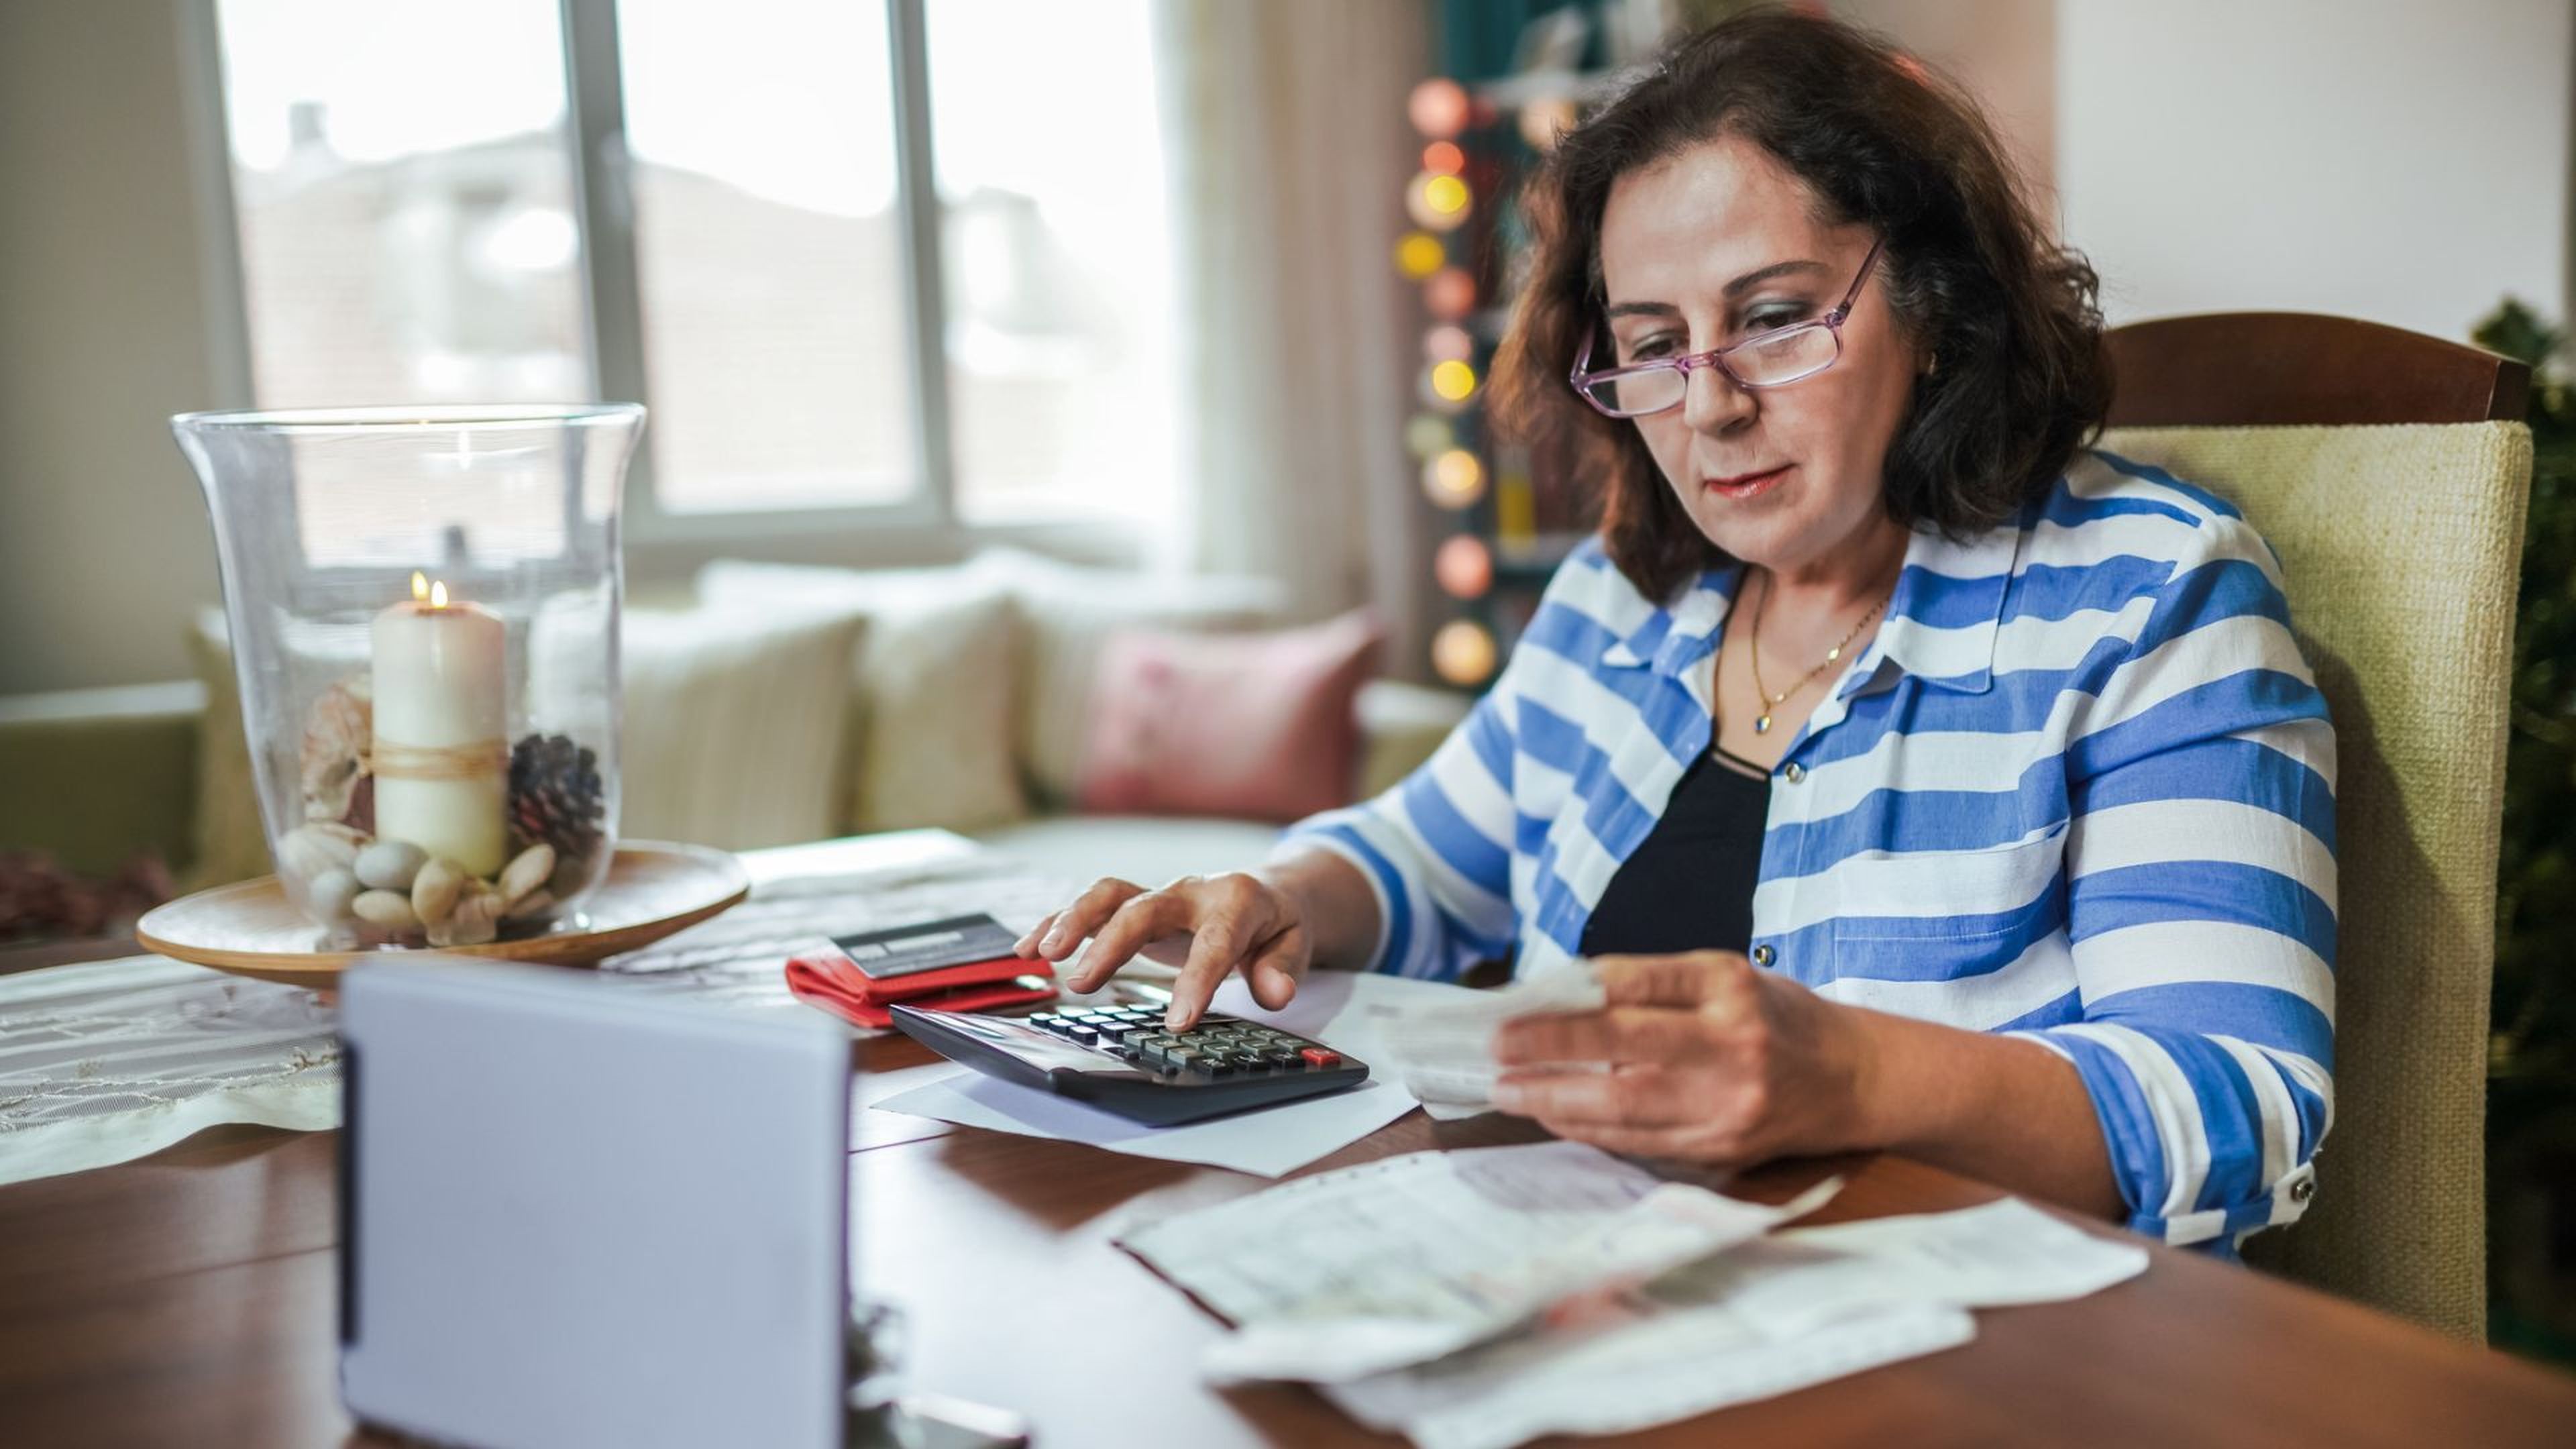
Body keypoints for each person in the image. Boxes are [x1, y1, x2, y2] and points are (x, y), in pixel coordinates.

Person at [1013, 10, 2334, 1254]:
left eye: (1770, 319)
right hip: (1595, 1280)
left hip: (1964, 1349)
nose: (1709, 408)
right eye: (1654, 342)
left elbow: (2239, 1101)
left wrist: (1854, 1074)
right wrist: (1278, 898)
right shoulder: (1627, 593)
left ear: (1932, 304)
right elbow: (1430, 853)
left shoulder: (2154, 600)